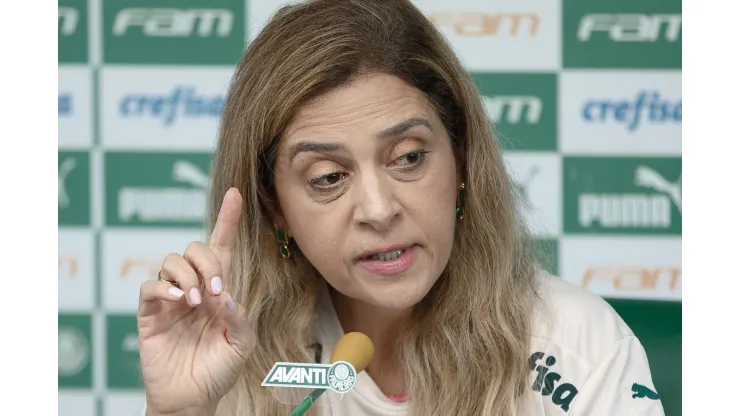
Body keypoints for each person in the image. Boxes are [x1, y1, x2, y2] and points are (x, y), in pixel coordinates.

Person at [137, 1, 666, 415]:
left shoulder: (579, 344)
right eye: (328, 178)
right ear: (275, 208)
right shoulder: (229, 347)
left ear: (461, 163)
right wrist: (182, 412)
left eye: (409, 158)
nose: (378, 208)